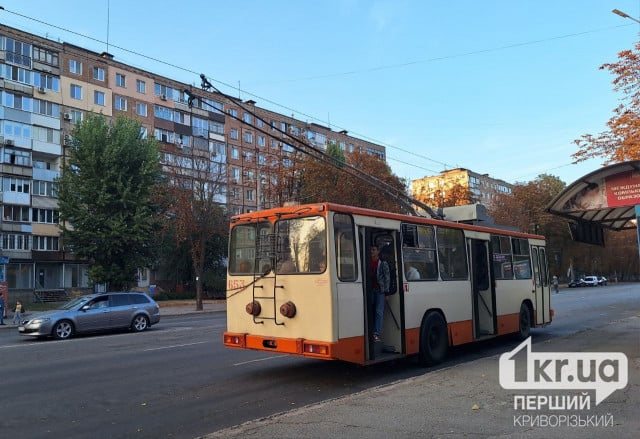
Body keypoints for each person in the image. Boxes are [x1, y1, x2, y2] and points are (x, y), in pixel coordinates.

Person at [369, 244, 390, 342]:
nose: (372, 252)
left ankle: (376, 333)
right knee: (371, 310)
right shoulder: (367, 262)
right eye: (371, 250)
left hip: (380, 291)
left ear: (378, 251)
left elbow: (387, 278)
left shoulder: (382, 263)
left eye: (374, 250)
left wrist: (386, 293)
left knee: (379, 312)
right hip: (370, 290)